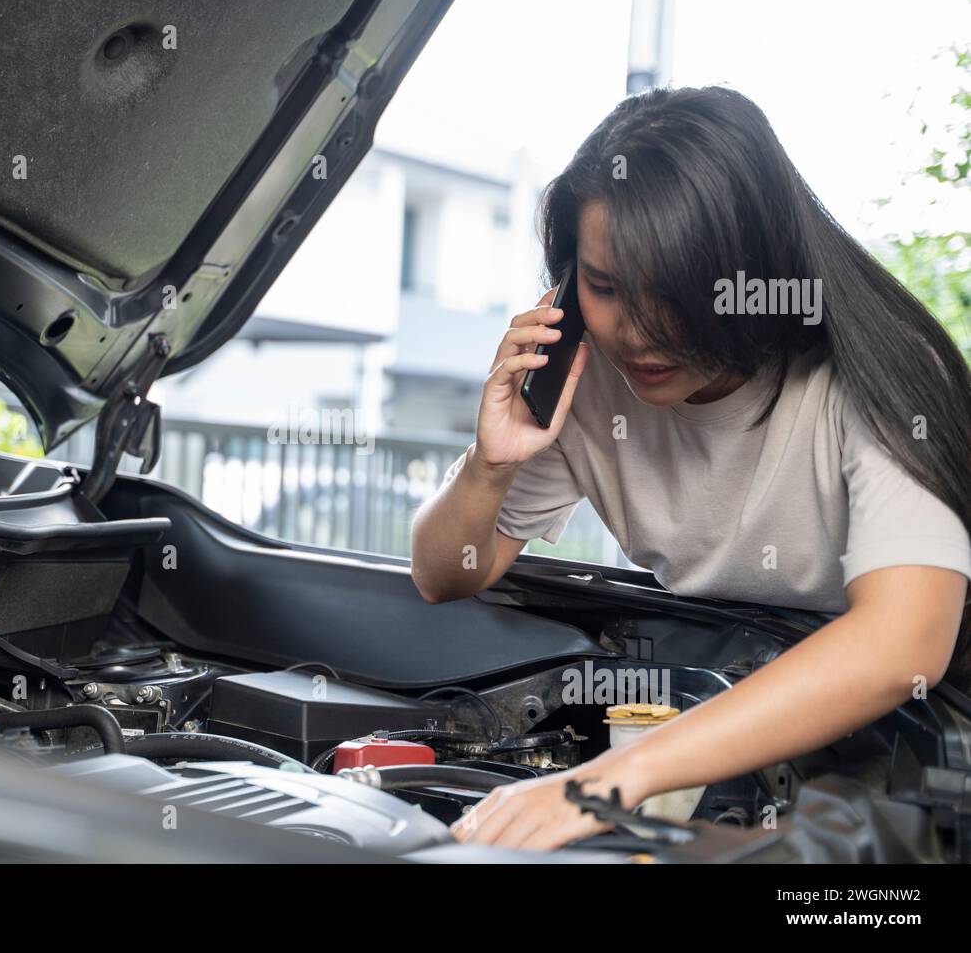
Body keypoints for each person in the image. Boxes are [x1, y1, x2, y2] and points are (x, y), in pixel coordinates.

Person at [409, 86, 971, 852]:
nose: (635, 334)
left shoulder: (881, 376)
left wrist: (614, 783)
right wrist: (489, 466)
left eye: (674, 296)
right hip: (724, 695)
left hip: (925, 734)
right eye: (604, 287)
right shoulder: (584, 376)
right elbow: (446, 576)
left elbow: (900, 644)